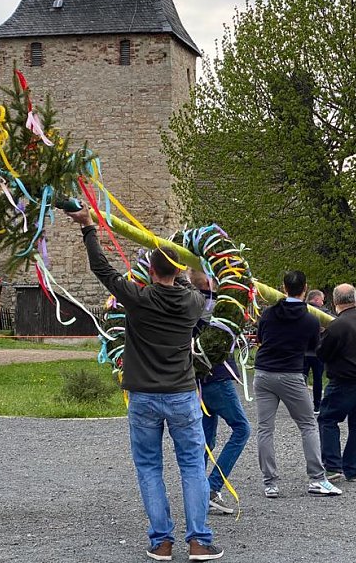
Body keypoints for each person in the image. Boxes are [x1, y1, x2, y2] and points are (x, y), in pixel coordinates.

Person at [66, 206, 224, 562]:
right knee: (192, 466)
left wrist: (89, 227)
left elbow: (101, 269)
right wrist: (179, 267)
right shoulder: (194, 302)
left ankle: (162, 542)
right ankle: (198, 540)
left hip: (143, 397)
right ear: (180, 271)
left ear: (149, 270)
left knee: (150, 467)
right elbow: (187, 285)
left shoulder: (136, 298)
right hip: (182, 395)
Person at [254, 271, 341, 499]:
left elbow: (260, 337)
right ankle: (317, 478)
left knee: (265, 428)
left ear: (284, 287)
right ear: (305, 288)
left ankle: (270, 482)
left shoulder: (268, 314)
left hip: (263, 373)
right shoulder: (310, 319)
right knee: (308, 425)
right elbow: (313, 346)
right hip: (291, 373)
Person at [190, 270, 251, 516]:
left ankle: (198, 493)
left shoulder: (191, 300)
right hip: (218, 378)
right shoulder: (214, 304)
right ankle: (212, 488)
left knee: (206, 440)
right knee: (242, 429)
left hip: (200, 381)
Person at [317, 283, 356, 482]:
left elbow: (322, 353)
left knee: (327, 419)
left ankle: (333, 466)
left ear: (335, 301)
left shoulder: (337, 325)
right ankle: (352, 469)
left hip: (346, 381)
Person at [304, 289, 330, 414]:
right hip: (318, 351)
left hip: (302, 351)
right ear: (316, 299)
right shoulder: (324, 314)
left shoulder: (301, 311)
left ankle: (301, 405)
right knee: (317, 379)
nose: (323, 302)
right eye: (322, 299)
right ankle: (317, 406)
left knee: (300, 379)